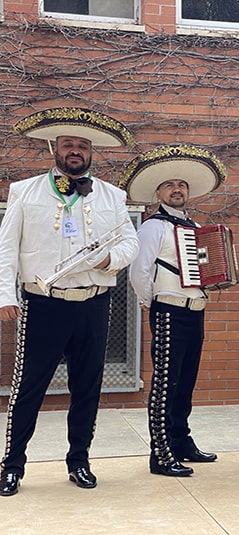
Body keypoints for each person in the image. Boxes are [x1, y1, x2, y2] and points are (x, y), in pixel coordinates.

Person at [0, 107, 140, 496]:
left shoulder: (112, 195)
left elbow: (131, 242)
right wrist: (3, 295)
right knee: (28, 387)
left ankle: (79, 460)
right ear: (54, 148)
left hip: (94, 303)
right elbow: (6, 249)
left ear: (91, 151)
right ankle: (12, 465)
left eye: (82, 145)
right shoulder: (24, 191)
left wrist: (110, 259)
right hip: (43, 302)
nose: (75, 151)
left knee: (87, 387)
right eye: (68, 144)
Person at [122, 144, 227, 477]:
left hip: (195, 310)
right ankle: (161, 453)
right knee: (166, 383)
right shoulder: (153, 226)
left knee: (185, 383)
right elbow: (138, 271)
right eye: (170, 185)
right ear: (159, 192)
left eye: (181, 185)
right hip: (168, 310)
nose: (177, 189)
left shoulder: (195, 227)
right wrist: (153, 301)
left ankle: (182, 443)